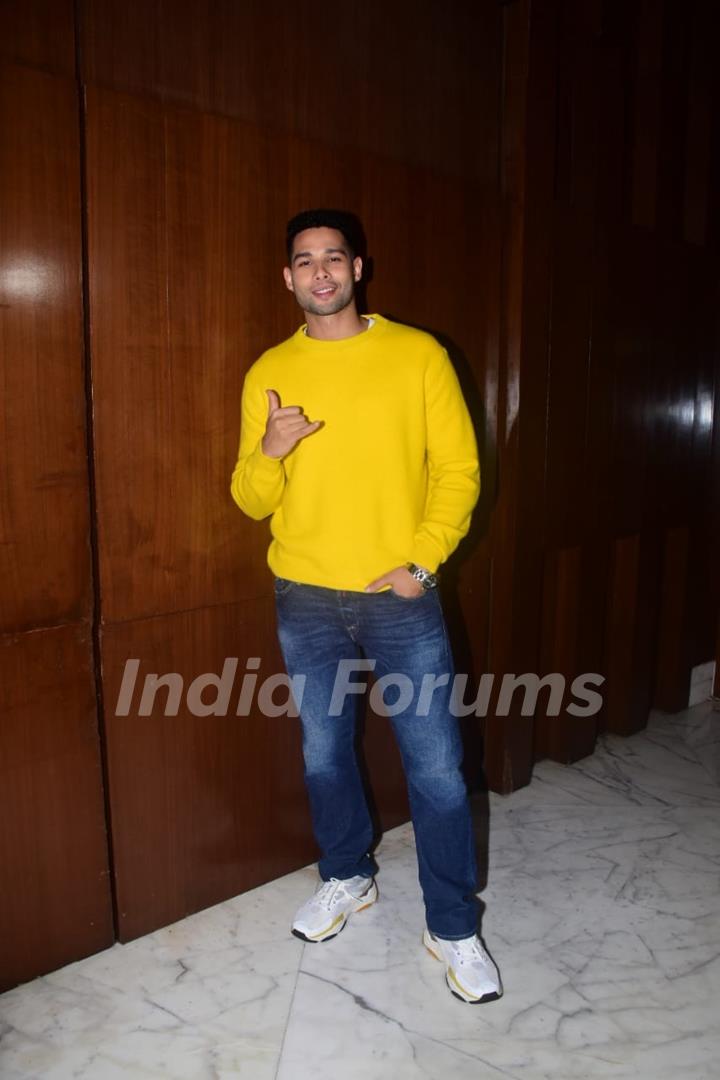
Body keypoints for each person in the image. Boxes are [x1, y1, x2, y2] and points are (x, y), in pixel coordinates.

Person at [230, 209, 502, 1004]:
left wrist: (423, 560)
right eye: (304, 260)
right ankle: (349, 877)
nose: (320, 272)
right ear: (287, 278)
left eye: (334, 258)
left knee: (438, 769)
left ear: (358, 268)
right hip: (306, 595)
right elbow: (248, 499)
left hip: (399, 597)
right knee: (323, 752)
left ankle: (452, 925)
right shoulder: (268, 373)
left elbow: (458, 470)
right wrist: (272, 449)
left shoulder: (417, 355)